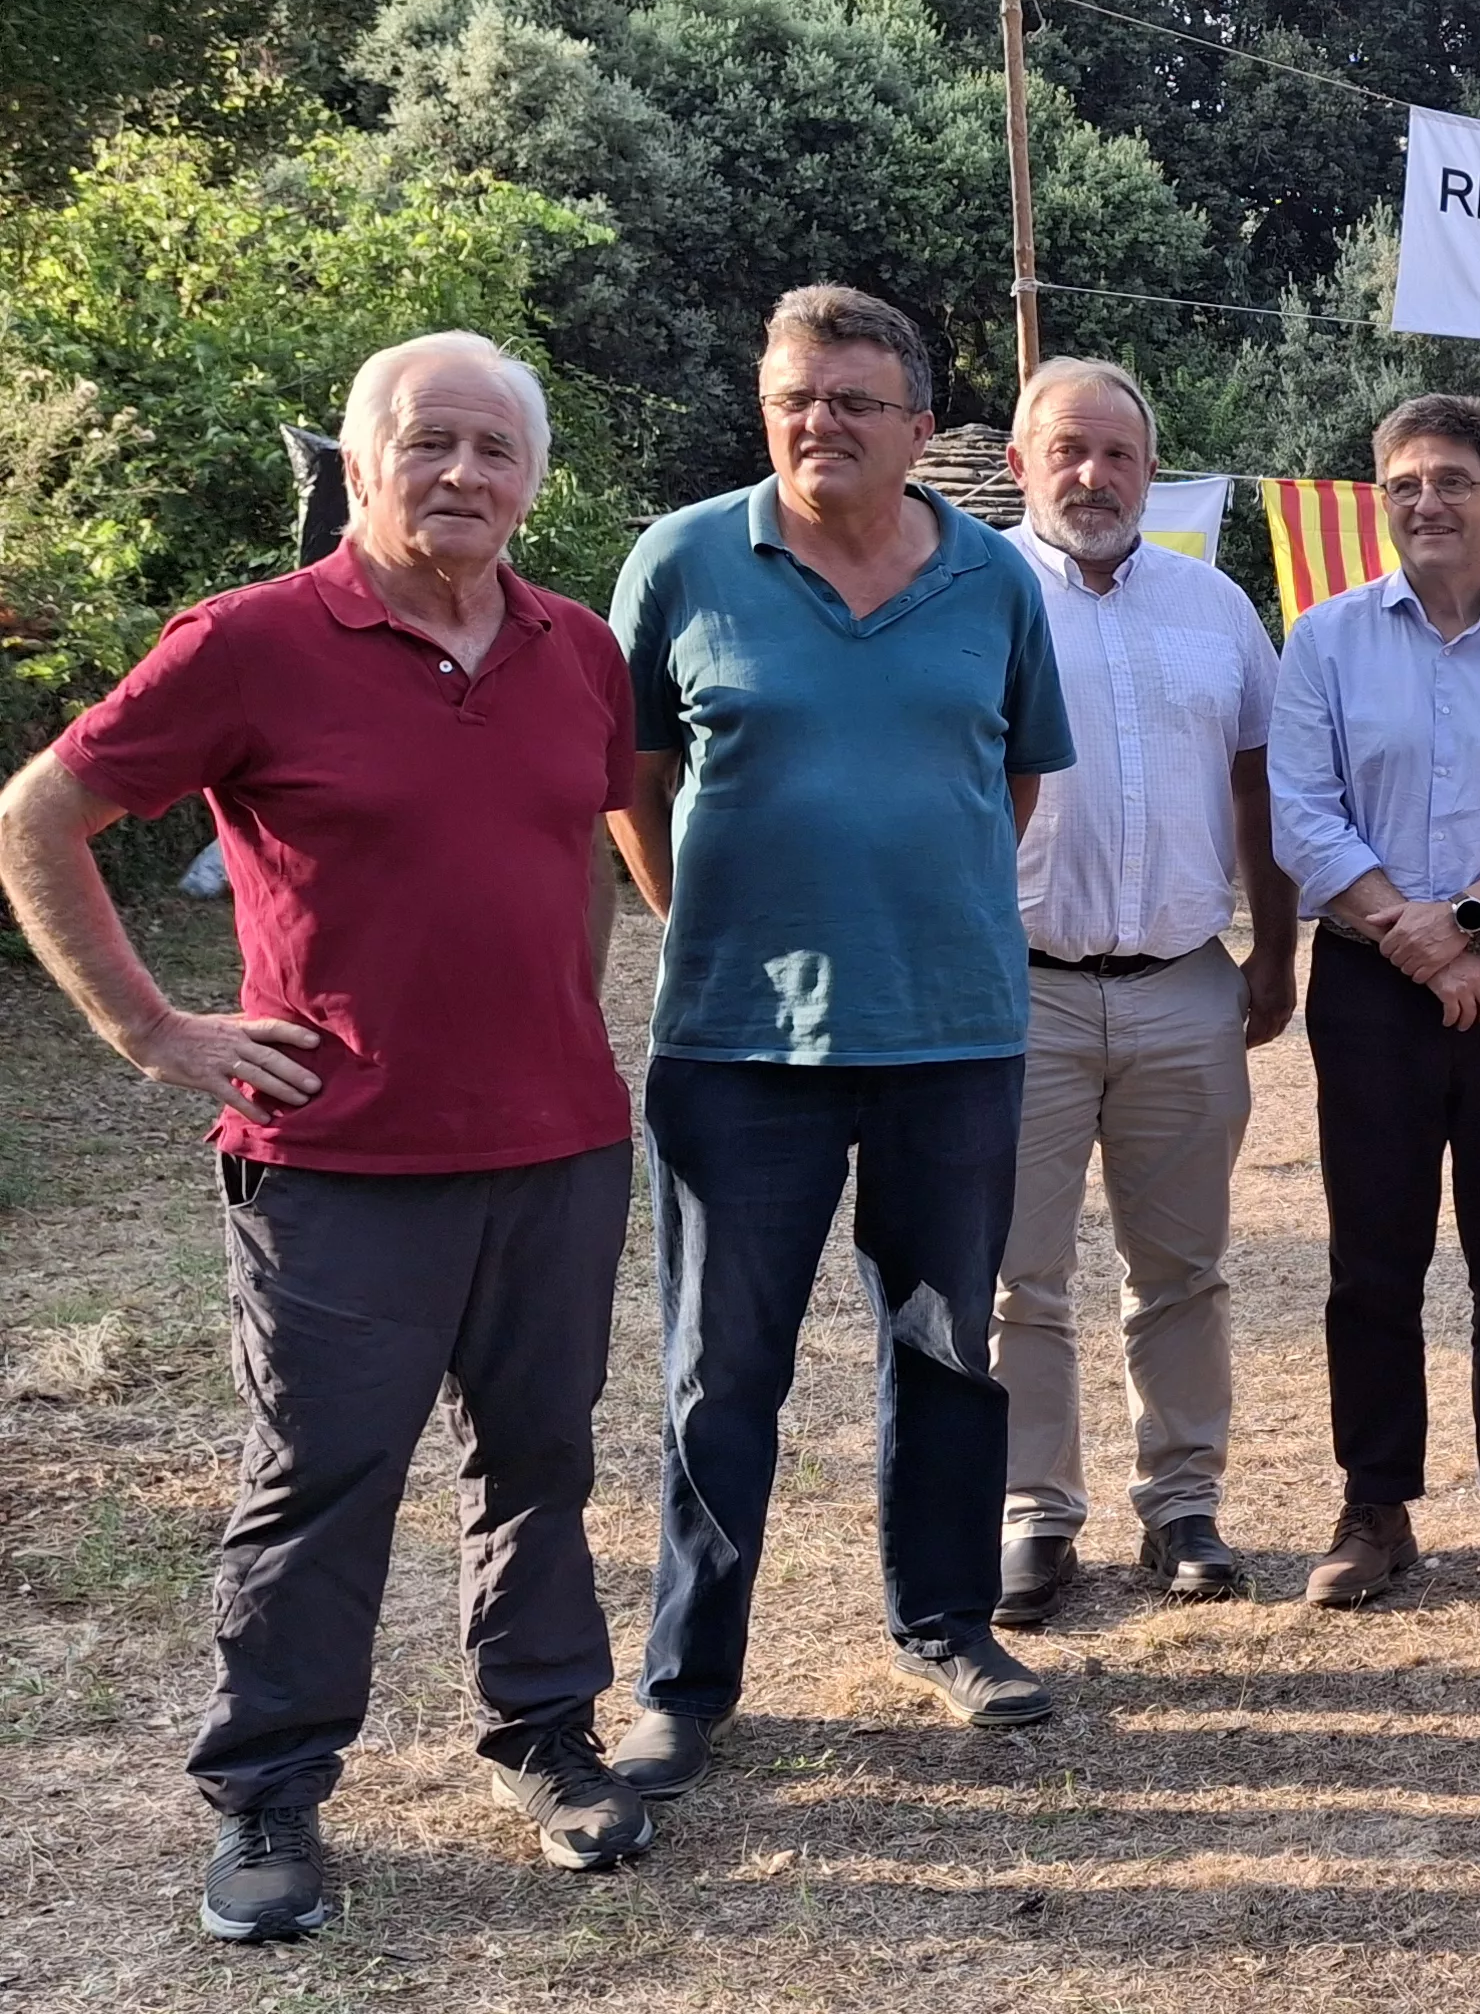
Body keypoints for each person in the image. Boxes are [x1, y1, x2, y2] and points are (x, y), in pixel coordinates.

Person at [0, 334, 652, 1937]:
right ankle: (272, 1794)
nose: (463, 476)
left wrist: (559, 1012)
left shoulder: (575, 648)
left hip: (559, 1142)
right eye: (428, 443)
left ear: (534, 482)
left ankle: (547, 1737)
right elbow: (39, 816)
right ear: (360, 465)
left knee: (544, 1460)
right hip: (341, 1160)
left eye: (497, 450)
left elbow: (577, 845)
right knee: (324, 1479)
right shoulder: (249, 644)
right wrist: (156, 1030)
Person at [606, 285, 1076, 1797]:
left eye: (857, 402)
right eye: (797, 397)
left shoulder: (996, 581)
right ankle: (689, 1676)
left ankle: (946, 1625)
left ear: (921, 432)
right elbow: (631, 779)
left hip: (950, 1034)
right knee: (717, 1364)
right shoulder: (683, 562)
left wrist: (915, 911)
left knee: (948, 1346)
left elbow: (1011, 782)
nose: (822, 425)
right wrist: (712, 923)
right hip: (737, 1045)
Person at [1275, 392, 1480, 1603]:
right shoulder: (1322, 642)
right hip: (1369, 989)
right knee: (1374, 1257)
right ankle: (1375, 1507)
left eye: (1455, 480)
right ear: (1382, 501)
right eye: (1407, 481)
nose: (1429, 501)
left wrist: (1462, 921)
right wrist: (1420, 942)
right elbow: (1303, 817)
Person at [988, 357, 1297, 1629]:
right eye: (1067, 449)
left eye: (1118, 453)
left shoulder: (1216, 606)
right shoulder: (971, 589)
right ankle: (1032, 1513)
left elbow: (1258, 790)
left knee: (1182, 1267)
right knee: (1020, 1277)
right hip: (1019, 990)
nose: (1093, 475)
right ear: (1021, 462)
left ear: (1152, 468)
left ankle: (1183, 1502)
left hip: (1183, 984)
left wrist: (1278, 953)